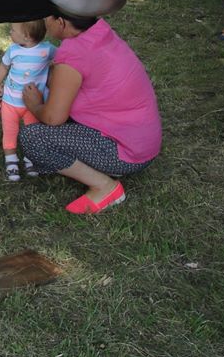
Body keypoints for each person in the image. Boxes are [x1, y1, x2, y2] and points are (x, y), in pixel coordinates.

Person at [19, 15, 161, 215]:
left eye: (46, 18)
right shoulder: (99, 29)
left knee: (33, 138)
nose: (43, 21)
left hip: (126, 153)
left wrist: (35, 105)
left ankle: (104, 186)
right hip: (143, 142)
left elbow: (53, 118)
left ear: (61, 22)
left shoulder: (73, 53)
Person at [0, 19, 55, 182]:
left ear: (26, 36)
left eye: (13, 30)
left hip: (32, 105)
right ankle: (11, 161)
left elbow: (64, 60)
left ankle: (30, 159)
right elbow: (3, 67)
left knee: (32, 133)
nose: (10, 32)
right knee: (10, 131)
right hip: (10, 102)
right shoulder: (13, 50)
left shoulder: (47, 50)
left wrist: (51, 80)